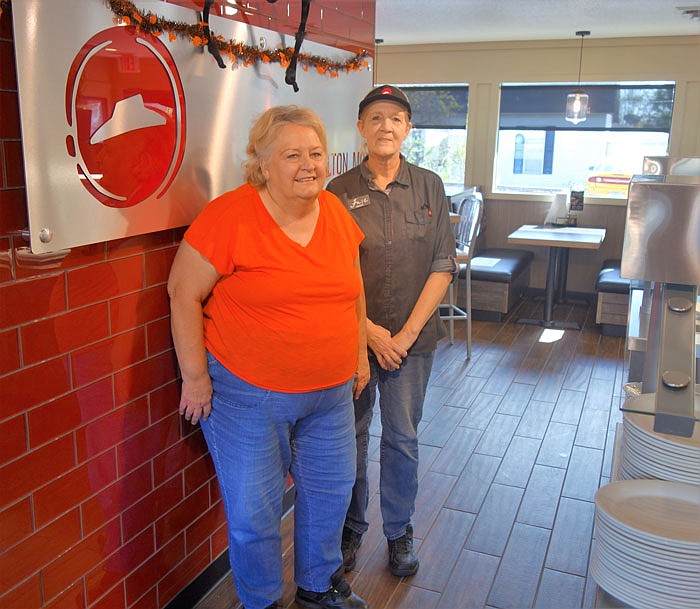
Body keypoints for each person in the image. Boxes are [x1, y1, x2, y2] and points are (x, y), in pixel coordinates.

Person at [167, 106, 370, 609]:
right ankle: (260, 602)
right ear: (262, 161)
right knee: (255, 514)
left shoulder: (337, 212)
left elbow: (354, 288)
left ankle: (317, 588)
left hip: (330, 394)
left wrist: (358, 354)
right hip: (247, 396)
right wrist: (195, 378)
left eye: (317, 153)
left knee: (329, 494)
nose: (309, 165)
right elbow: (181, 292)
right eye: (292, 154)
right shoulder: (230, 215)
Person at [327, 85, 457, 577]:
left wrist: (400, 338)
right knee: (351, 439)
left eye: (396, 118)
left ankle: (399, 531)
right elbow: (330, 272)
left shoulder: (430, 185)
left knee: (402, 438)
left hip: (413, 346)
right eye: (376, 118)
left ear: (408, 130)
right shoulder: (336, 192)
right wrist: (371, 334)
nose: (386, 126)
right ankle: (350, 528)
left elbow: (442, 265)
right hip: (353, 343)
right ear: (361, 128)